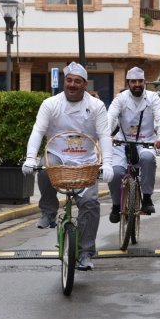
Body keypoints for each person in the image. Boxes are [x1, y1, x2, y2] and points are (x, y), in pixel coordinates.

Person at [22, 62, 113, 271]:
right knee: (44, 168)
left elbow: (104, 135)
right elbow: (38, 131)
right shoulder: (50, 104)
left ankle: (85, 253)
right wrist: (29, 157)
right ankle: (49, 211)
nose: (72, 85)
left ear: (85, 84)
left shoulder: (96, 106)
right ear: (64, 82)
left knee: (90, 203)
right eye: (69, 80)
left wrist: (107, 163)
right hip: (57, 156)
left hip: (86, 161)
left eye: (77, 81)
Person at [107, 66, 160, 221]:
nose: (137, 84)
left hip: (145, 142)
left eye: (140, 81)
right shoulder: (120, 99)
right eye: (133, 81)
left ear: (144, 82)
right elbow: (111, 116)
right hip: (122, 143)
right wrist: (106, 135)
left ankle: (146, 198)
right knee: (114, 173)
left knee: (148, 159)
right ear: (128, 83)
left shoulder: (153, 98)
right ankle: (116, 205)